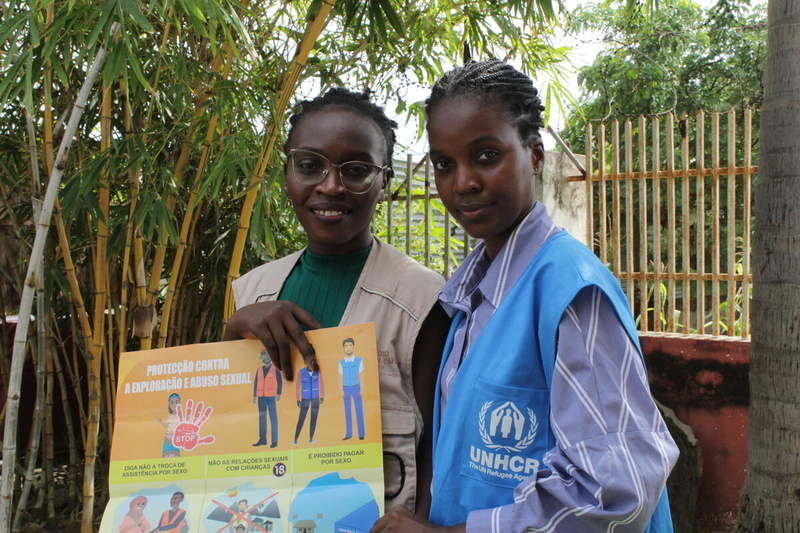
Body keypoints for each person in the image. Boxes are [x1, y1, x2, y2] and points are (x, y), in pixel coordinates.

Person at [371, 59, 678, 533]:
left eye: (487, 156)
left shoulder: (571, 289)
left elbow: (614, 491)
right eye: (443, 164)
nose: (463, 182)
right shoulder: (473, 295)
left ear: (534, 154)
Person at [224, 87, 450, 514]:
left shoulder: (421, 299)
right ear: (287, 175)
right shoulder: (253, 290)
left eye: (357, 170)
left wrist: (420, 525)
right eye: (310, 166)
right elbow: (231, 419)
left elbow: (443, 435)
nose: (330, 186)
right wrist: (234, 329)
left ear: (384, 181)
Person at [253, 350, 282, 448]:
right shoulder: (259, 369)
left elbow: (280, 381)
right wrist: (254, 396)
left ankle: (274, 441)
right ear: (261, 357)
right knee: (262, 418)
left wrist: (278, 393)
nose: (265, 357)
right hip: (261, 396)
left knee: (273, 417)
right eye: (263, 355)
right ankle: (262, 439)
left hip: (271, 396)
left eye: (268, 355)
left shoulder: (275, 369)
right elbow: (256, 382)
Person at [339, 337, 365, 440]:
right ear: (344, 348)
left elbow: (361, 374)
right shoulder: (341, 362)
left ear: (353, 346)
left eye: (350, 345)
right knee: (347, 411)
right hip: (346, 388)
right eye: (346, 346)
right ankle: (349, 434)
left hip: (356, 387)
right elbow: (339, 376)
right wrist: (341, 389)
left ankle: (361, 434)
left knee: (359, 410)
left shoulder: (359, 360)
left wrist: (362, 388)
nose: (348, 348)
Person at [293, 365, 324, 444]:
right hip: (305, 398)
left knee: (313, 419)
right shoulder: (301, 372)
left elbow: (321, 383)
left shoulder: (317, 371)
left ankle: (311, 438)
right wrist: (298, 399)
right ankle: (295, 439)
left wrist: (321, 396)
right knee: (301, 419)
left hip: (315, 398)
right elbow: (297, 386)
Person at [157, 393, 181, 458]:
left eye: (176, 402)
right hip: (168, 437)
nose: (174, 405)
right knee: (167, 453)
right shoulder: (170, 416)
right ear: (169, 404)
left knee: (175, 453)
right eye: (172, 402)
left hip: (176, 437)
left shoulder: (180, 415)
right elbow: (167, 425)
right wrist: (161, 422)